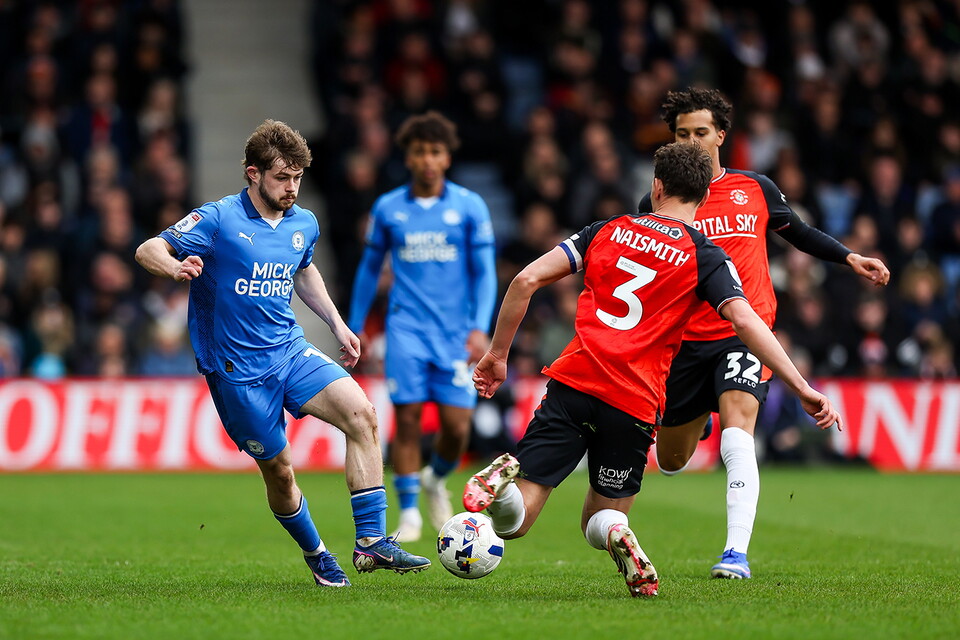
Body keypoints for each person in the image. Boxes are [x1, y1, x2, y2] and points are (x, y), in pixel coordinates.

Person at [464, 142, 842, 598]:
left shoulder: (607, 229)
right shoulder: (705, 255)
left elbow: (525, 280)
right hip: (635, 403)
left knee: (516, 522)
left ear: (656, 186)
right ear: (704, 198)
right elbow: (745, 320)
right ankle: (618, 535)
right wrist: (800, 386)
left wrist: (497, 355)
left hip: (575, 383)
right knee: (602, 518)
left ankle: (504, 478)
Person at [134, 119, 430, 588]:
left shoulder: (304, 223)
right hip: (236, 372)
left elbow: (305, 272)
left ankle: (371, 542)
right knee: (281, 472)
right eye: (281, 178)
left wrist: (337, 325)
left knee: (363, 415)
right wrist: (174, 268)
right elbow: (148, 248)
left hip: (290, 351)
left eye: (297, 178)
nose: (291, 188)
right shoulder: (217, 219)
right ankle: (316, 552)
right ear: (253, 173)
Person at [637, 88, 889, 579]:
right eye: (683, 134)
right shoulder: (658, 197)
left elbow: (796, 230)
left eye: (701, 132)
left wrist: (848, 257)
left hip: (745, 334)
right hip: (685, 342)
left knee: (738, 435)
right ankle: (697, 421)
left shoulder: (755, 188)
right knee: (670, 461)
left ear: (721, 135)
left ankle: (735, 554)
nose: (693, 141)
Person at [348, 111, 497, 542]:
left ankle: (436, 479)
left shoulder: (469, 206)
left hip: (455, 334)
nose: (428, 160)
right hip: (405, 331)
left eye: (435, 151)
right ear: (408, 158)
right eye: (419, 152)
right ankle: (409, 513)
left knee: (456, 428)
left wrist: (478, 327)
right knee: (408, 419)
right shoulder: (389, 208)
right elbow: (369, 268)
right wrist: (354, 325)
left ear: (447, 157)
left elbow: (485, 272)